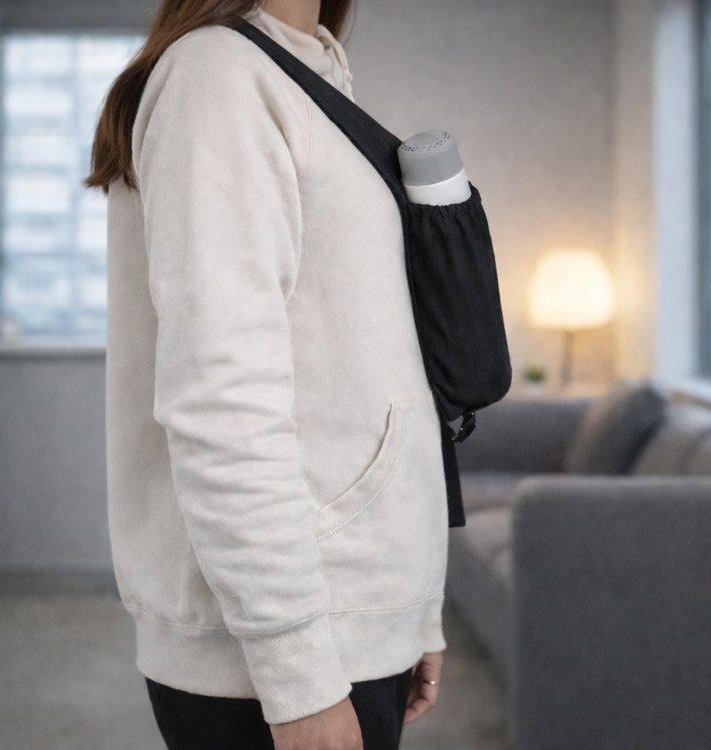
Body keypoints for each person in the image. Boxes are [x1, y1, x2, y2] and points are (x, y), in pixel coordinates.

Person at [87, 0, 448, 747]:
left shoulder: (307, 70)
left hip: (350, 616)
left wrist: (413, 609)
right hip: (282, 655)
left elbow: (376, 365)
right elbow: (223, 403)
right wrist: (298, 675)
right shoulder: (217, 76)